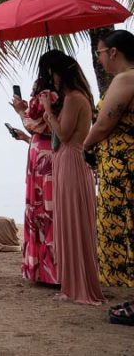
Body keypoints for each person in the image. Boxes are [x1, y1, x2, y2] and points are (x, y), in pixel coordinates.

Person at [41, 54, 104, 305]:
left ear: (60, 74)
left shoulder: (74, 98)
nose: (51, 80)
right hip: (71, 160)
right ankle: (75, 283)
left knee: (73, 222)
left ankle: (77, 287)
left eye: (52, 74)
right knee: (73, 221)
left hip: (70, 160)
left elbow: (64, 134)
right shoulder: (79, 98)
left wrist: (48, 111)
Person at [83, 30, 134, 320]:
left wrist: (86, 146)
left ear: (113, 52)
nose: (99, 59)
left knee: (125, 228)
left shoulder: (126, 78)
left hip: (124, 166)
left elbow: (104, 124)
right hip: (122, 162)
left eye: (100, 53)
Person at [10, 50, 66, 285]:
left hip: (41, 154)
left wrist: (20, 110)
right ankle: (56, 267)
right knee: (53, 208)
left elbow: (33, 123)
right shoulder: (65, 94)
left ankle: (42, 270)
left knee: (39, 209)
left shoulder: (45, 95)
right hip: (52, 152)